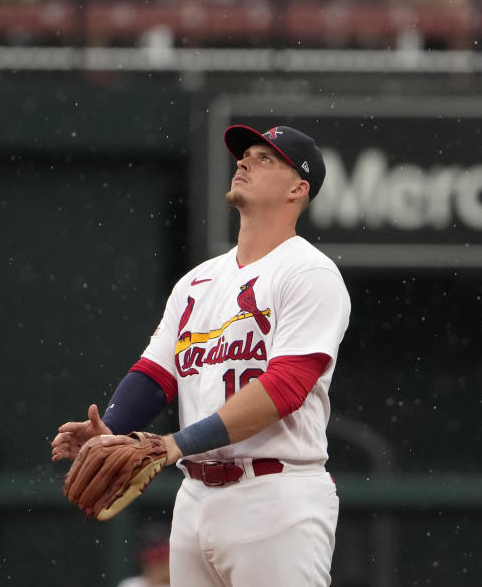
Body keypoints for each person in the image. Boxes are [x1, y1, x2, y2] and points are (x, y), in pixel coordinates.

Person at [51, 124, 351, 586]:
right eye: (244, 155)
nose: (244, 162)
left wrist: (174, 444)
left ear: (299, 188)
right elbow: (155, 374)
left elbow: (285, 389)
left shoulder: (309, 272)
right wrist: (111, 429)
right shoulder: (197, 281)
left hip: (275, 495)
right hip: (195, 500)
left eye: (265, 158)